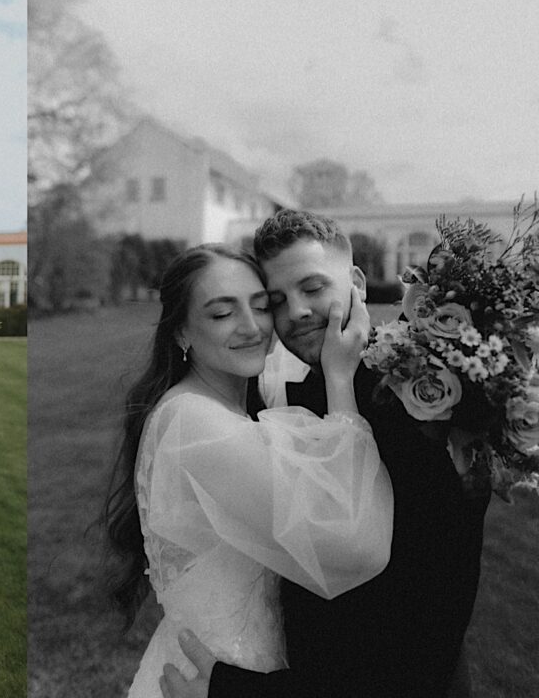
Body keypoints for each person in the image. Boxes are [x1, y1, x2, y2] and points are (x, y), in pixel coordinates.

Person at [161, 209, 490, 698]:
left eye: (313, 288)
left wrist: (230, 690)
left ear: (356, 281)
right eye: (277, 299)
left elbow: (420, 643)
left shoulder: (419, 406)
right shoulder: (298, 398)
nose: (295, 312)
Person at [102, 243, 393, 698]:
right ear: (181, 330)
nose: (253, 327)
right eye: (222, 314)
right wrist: (340, 381)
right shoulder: (195, 423)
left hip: (236, 669)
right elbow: (354, 547)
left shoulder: (229, 407)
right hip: (216, 673)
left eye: (262, 307)